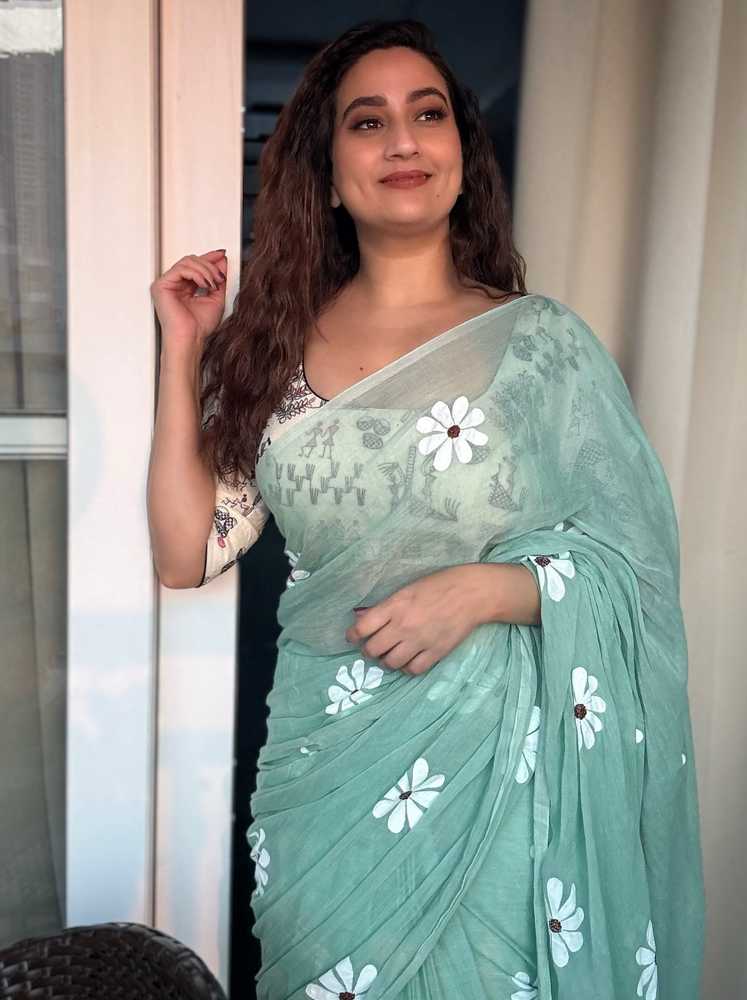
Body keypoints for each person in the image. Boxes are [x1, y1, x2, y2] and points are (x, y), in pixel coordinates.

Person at [147, 18, 705, 1000]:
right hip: (329, 788)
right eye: (368, 121)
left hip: (505, 783)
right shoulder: (269, 354)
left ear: (460, 156)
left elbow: (635, 566)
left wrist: (489, 589)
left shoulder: (539, 348)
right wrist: (185, 350)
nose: (402, 140)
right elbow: (186, 552)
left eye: (428, 113)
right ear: (327, 175)